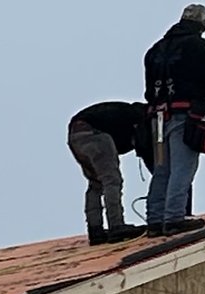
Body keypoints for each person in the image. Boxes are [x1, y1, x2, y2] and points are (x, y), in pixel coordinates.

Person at [142, 3, 205, 231]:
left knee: (162, 170)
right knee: (182, 167)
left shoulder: (155, 50)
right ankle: (175, 218)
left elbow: (149, 93)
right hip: (186, 117)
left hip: (157, 119)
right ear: (202, 24)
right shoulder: (201, 47)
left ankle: (155, 221)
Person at [65, 98, 153, 243]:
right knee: (112, 180)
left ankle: (95, 230)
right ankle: (116, 226)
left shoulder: (130, 114)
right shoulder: (141, 118)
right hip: (95, 134)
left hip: (75, 136)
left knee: (95, 183)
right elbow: (144, 147)